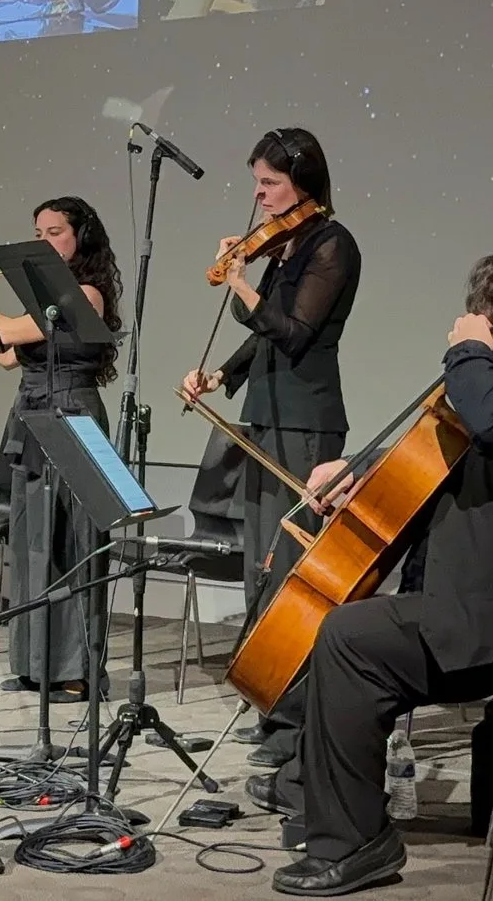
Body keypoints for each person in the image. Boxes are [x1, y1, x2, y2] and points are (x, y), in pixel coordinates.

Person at [251, 246, 493, 897]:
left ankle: (353, 842)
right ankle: (331, 814)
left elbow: (490, 414)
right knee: (355, 635)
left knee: (350, 638)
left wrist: (468, 349)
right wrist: (361, 472)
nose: (470, 322)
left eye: (482, 311)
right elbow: (453, 456)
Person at [181, 127, 358, 768]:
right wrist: (221, 375)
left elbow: (295, 332)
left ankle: (298, 725)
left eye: (269, 184)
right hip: (266, 418)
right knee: (262, 565)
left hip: (307, 425)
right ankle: (274, 713)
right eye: (256, 183)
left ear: (303, 182)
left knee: (291, 574)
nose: (257, 196)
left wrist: (241, 283)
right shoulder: (284, 247)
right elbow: (261, 341)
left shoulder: (332, 244)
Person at [0, 196, 123, 698]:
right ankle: (34, 664)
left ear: (80, 238)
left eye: (55, 232)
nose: (43, 241)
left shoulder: (86, 292)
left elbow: (8, 330)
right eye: (37, 232)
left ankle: (75, 670)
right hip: (32, 415)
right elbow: (4, 356)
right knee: (31, 544)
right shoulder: (39, 302)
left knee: (73, 544)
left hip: (72, 417)